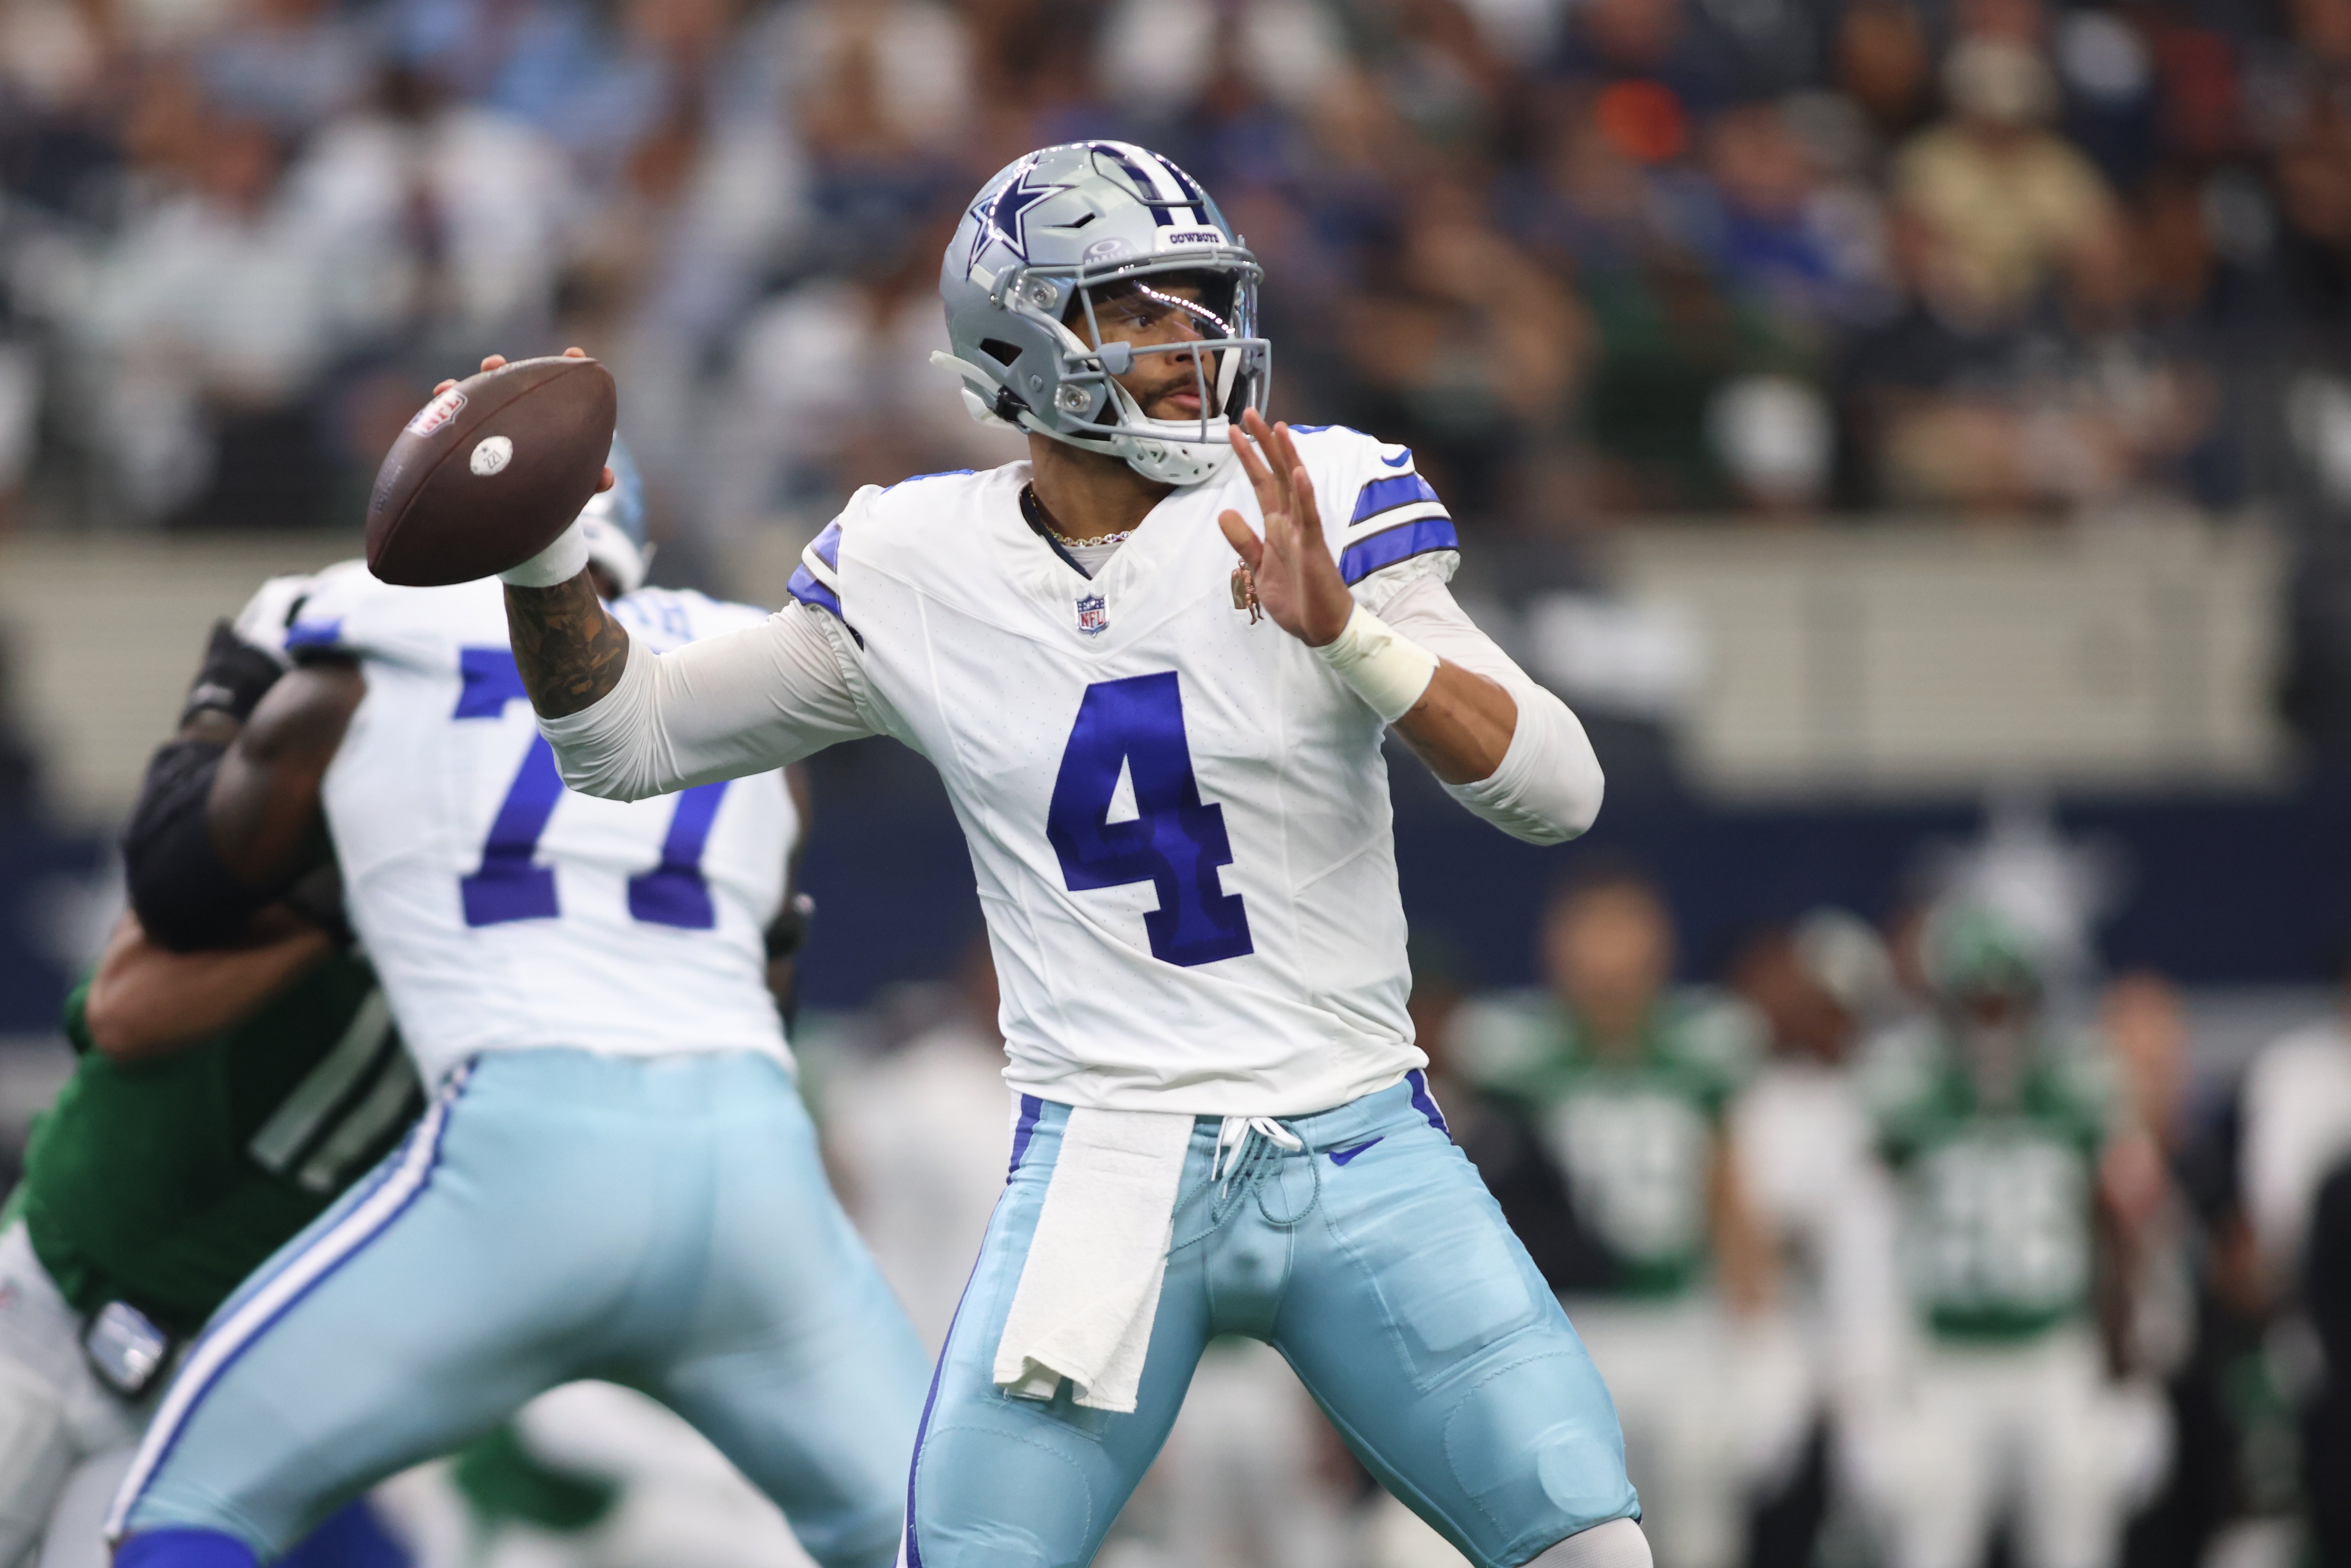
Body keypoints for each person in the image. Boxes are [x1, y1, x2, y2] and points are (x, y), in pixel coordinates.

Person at [488, 142, 1641, 1568]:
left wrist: (1350, 635)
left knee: (1591, 1546)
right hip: (1108, 1157)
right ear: (1015, 340)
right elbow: (625, 739)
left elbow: (1560, 788)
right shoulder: (917, 562)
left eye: (1199, 305)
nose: (1189, 344)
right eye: (1136, 310)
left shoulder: (1317, 492)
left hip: (1357, 1134)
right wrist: (543, 560)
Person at [106, 447, 928, 1568]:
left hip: (527, 1150)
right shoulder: (745, 655)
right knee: (942, 1534)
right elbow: (773, 981)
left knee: (188, 1503)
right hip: (750, 1167)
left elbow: (177, 881)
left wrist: (232, 692)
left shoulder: (351, 630)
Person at [0, 593, 421, 1568]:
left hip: (217, 1383)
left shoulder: (537, 930)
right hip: (60, 1289)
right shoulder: (293, 851)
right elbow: (125, 1011)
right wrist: (347, 918)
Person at [1466, 870, 1775, 1568]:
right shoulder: (1513, 1049)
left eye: (1624, 931)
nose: (1609, 957)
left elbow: (1729, 1196)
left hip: (1678, 1320)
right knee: (1569, 1532)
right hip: (1563, 1326)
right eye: (1592, 933)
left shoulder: (1705, 1043)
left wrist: (1760, 1333)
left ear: (1659, 946)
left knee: (1699, 1518)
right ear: (1556, 949)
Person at [1857, 905, 2167, 1568]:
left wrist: (2134, 1375)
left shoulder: (2081, 1082)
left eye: (2006, 1002)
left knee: (2076, 1545)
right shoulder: (1902, 1086)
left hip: (2054, 1356)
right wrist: (1873, 1380)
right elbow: (1866, 1237)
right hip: (1944, 1360)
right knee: (1929, 1545)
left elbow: (2123, 1229)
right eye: (1977, 1002)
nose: (1992, 1020)